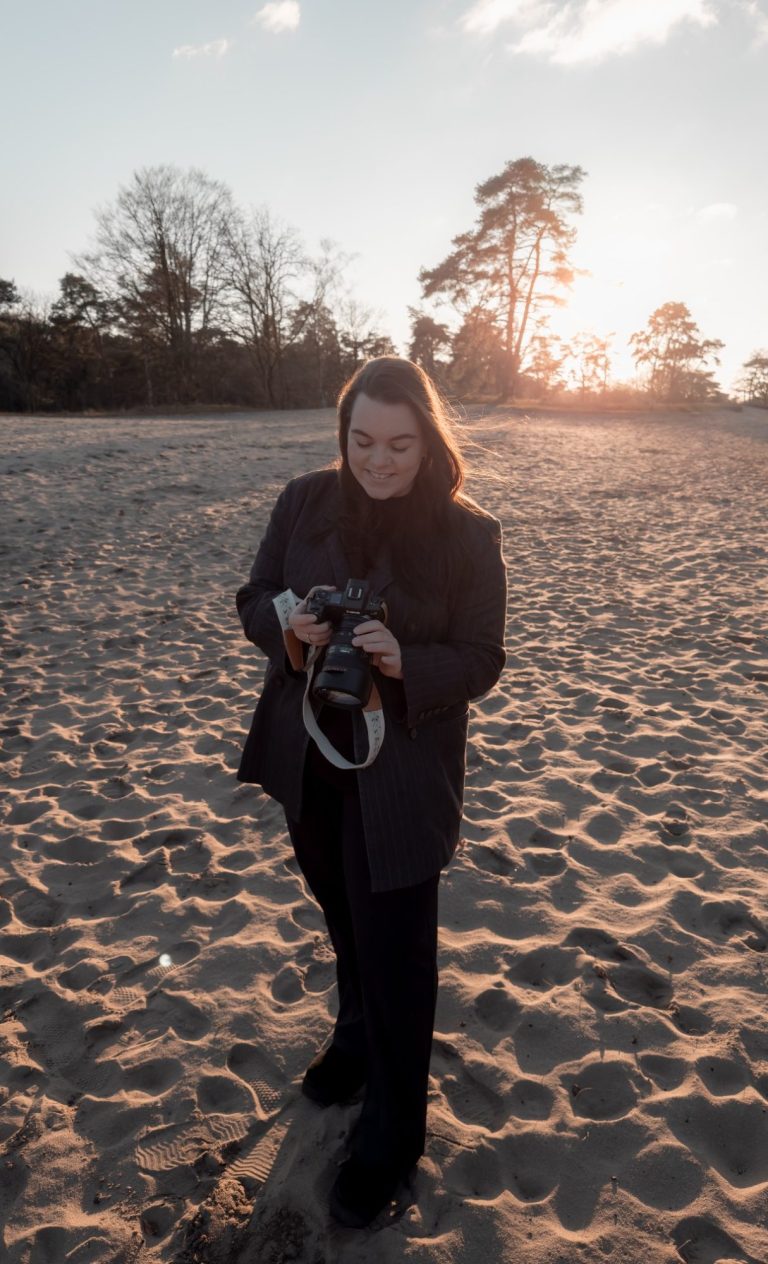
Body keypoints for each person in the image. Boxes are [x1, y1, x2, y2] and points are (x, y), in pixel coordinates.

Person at [234, 356, 507, 1228]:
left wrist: (404, 662)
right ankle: (353, 1041)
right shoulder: (304, 500)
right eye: (362, 442)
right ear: (341, 434)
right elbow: (252, 594)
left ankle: (394, 1131)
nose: (379, 462)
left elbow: (483, 660)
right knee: (343, 917)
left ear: (429, 441)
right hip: (307, 757)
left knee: (398, 952)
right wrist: (290, 627)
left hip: (403, 774)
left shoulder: (471, 535)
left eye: (400, 444)